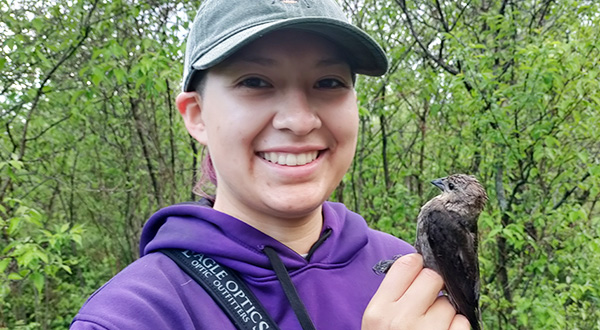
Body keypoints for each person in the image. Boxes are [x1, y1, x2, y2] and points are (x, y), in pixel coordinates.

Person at [71, 0, 470, 329]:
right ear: (196, 114)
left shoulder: (406, 266)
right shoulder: (134, 316)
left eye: (329, 82)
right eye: (255, 82)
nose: (299, 121)